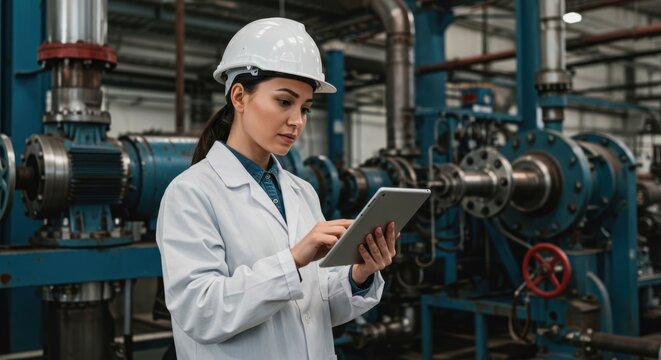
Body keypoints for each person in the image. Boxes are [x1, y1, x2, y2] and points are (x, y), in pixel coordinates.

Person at [156, 17, 398, 359]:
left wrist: (359, 274)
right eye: (285, 102)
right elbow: (201, 312)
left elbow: (318, 307)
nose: (297, 121)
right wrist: (294, 259)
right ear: (239, 96)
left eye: (305, 108)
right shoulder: (191, 193)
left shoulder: (302, 192)